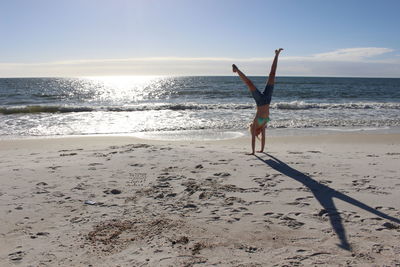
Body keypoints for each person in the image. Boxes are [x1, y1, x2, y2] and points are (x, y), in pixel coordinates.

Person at [232, 48, 283, 155]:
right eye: (259, 133)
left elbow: (253, 139)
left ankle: (237, 70)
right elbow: (264, 137)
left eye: (257, 133)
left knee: (249, 83)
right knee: (272, 75)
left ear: (254, 131)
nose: (260, 133)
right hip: (268, 99)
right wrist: (262, 150)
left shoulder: (255, 124)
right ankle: (277, 55)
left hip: (260, 101)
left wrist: (253, 152)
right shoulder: (263, 124)